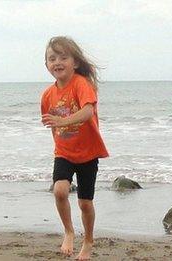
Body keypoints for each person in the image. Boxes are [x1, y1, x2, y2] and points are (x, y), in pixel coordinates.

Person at [40, 36, 109, 260]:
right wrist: (59, 141)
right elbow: (52, 125)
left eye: (63, 57)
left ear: (75, 62)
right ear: (47, 65)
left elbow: (88, 111)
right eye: (52, 58)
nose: (57, 62)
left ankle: (88, 240)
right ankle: (69, 231)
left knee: (85, 203)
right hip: (65, 152)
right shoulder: (47, 95)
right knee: (60, 190)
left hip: (88, 153)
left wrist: (63, 122)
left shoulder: (81, 84)